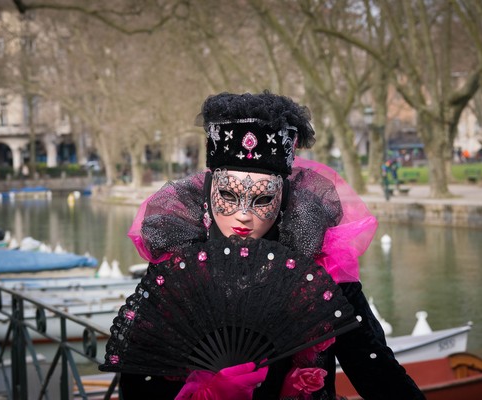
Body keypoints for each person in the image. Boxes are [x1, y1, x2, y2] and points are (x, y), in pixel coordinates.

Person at [103, 92, 424, 399]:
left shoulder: (322, 270)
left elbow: (373, 367)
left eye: (263, 198)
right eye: (228, 195)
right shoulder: (178, 268)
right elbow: (140, 380)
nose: (243, 216)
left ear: (284, 199)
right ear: (207, 193)